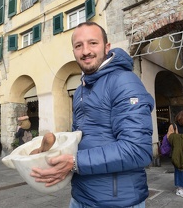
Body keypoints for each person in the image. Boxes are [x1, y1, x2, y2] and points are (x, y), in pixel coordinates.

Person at [30, 21, 154, 207]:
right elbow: (82, 140)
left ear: (107, 47)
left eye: (93, 43)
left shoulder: (124, 82)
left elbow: (138, 150)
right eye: (78, 46)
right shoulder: (81, 90)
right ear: (74, 52)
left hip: (117, 202)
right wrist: (54, 155)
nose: (85, 51)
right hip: (80, 197)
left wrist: (74, 162)